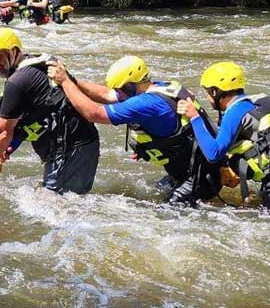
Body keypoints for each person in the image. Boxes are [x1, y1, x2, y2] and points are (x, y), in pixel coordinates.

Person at [47, 55, 221, 205]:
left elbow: (94, 113)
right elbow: (107, 94)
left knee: (164, 216)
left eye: (120, 89)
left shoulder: (146, 103)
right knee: (156, 191)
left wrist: (64, 82)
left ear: (130, 86)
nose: (117, 94)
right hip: (199, 170)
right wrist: (73, 80)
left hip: (199, 179)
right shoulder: (162, 87)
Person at [178, 62, 270, 214]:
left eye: (206, 93)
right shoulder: (263, 101)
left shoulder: (236, 111)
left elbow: (213, 154)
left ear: (214, 92)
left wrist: (194, 117)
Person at [0, 27, 99, 193]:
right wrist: (10, 146)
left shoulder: (18, 82)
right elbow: (35, 114)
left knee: (56, 206)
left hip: (69, 149)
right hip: (81, 143)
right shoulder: (39, 65)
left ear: (14, 51)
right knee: (62, 201)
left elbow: (3, 132)